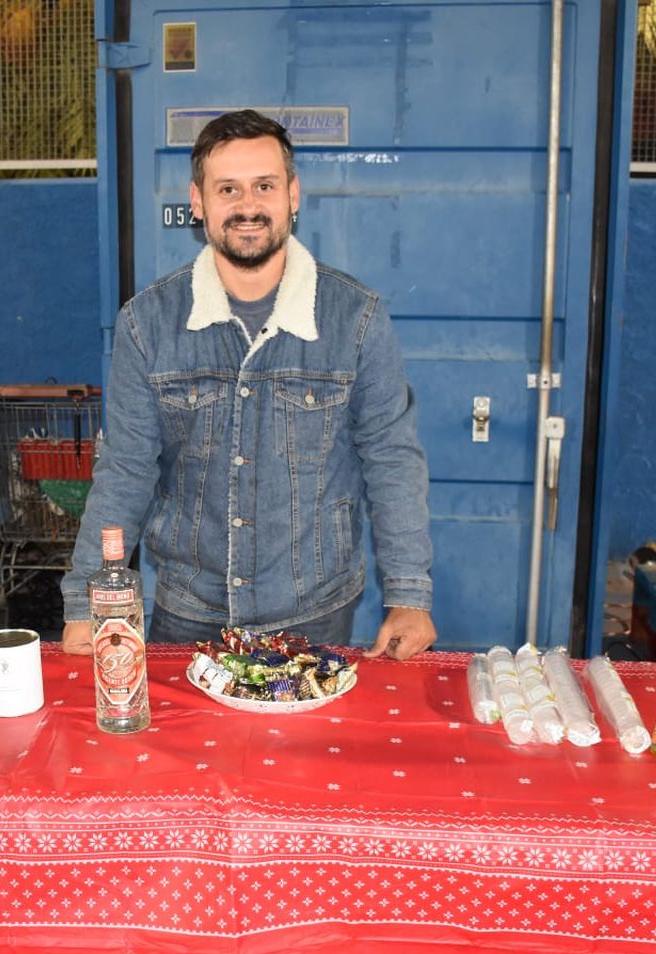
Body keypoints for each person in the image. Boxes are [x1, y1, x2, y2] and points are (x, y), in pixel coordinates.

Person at [60, 109, 436, 660]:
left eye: (264, 186)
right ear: (198, 203)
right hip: (189, 610)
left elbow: (391, 457)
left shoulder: (355, 318)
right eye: (227, 189)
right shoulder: (148, 323)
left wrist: (408, 592)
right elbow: (126, 469)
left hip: (315, 610)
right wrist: (85, 602)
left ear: (293, 195)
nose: (247, 206)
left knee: (302, 747)